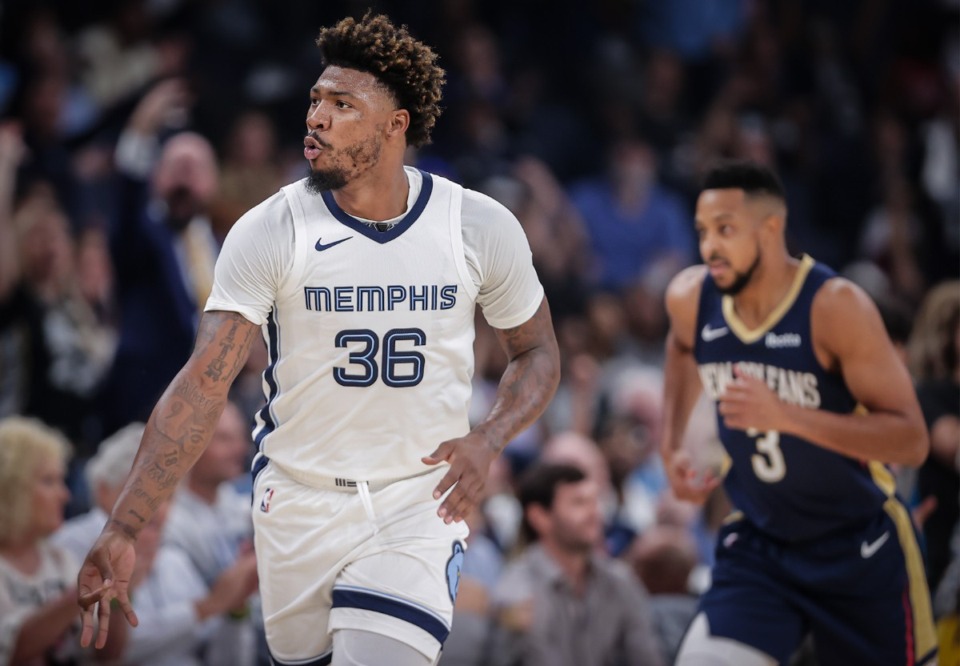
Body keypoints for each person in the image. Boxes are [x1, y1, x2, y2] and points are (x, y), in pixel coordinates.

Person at [77, 12, 560, 666]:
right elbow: (202, 382)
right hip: (296, 503)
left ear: (396, 126)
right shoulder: (269, 228)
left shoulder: (476, 225)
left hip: (414, 504)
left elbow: (537, 352)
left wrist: (488, 437)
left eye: (342, 104)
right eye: (315, 100)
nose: (317, 118)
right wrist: (125, 525)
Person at [660, 160, 936, 665]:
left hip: (860, 548)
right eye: (702, 232)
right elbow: (681, 348)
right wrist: (671, 443)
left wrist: (788, 416)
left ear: (770, 229)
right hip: (762, 546)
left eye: (725, 230)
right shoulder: (691, 297)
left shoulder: (835, 307)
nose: (709, 248)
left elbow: (911, 439)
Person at [488, 463, 663, 666]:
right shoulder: (516, 592)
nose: (595, 513)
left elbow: (647, 657)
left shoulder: (620, 581)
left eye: (595, 501)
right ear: (539, 517)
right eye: (579, 503)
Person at [0, 417, 122, 665]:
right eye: (48, 481)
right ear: (9, 489)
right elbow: (13, 651)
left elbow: (106, 655)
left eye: (61, 480)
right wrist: (83, 589)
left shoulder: (59, 558)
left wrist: (120, 591)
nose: (64, 495)